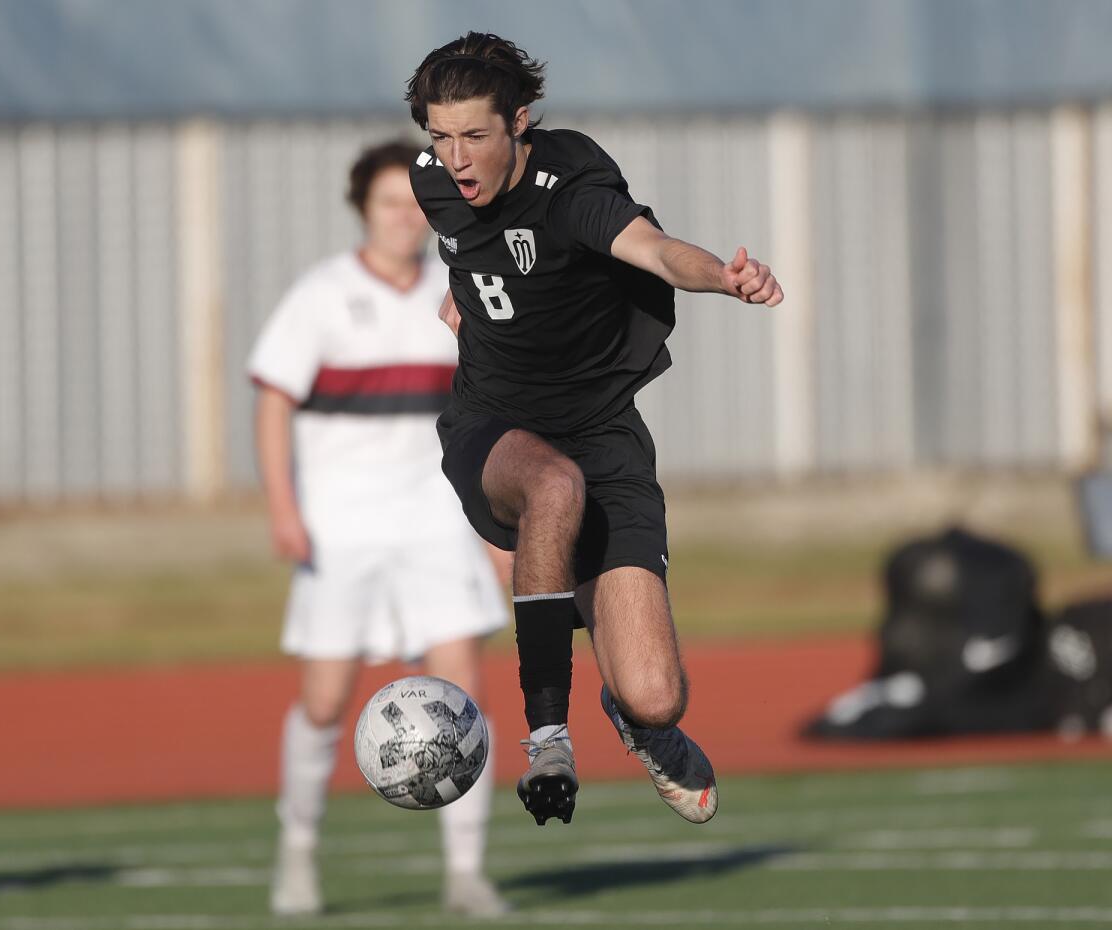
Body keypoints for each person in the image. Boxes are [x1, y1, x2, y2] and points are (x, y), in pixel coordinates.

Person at [405, 34, 784, 826]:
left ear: (520, 121)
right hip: (494, 426)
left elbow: (653, 250)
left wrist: (725, 276)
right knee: (551, 485)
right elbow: (475, 264)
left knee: (657, 695)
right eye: (440, 137)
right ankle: (548, 735)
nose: (456, 158)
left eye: (475, 135)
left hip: (602, 433)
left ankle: (631, 717)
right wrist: (465, 304)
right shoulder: (432, 182)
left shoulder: (572, 187)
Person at [248, 139, 511, 916]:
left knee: (464, 695)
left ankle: (467, 871)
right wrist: (284, 508)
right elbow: (272, 403)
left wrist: (497, 528)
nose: (404, 219)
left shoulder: (459, 289)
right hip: (342, 525)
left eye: (417, 204)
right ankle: (297, 850)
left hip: (440, 520)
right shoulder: (321, 295)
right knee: (326, 702)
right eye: (389, 204)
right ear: (363, 210)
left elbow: (493, 413)